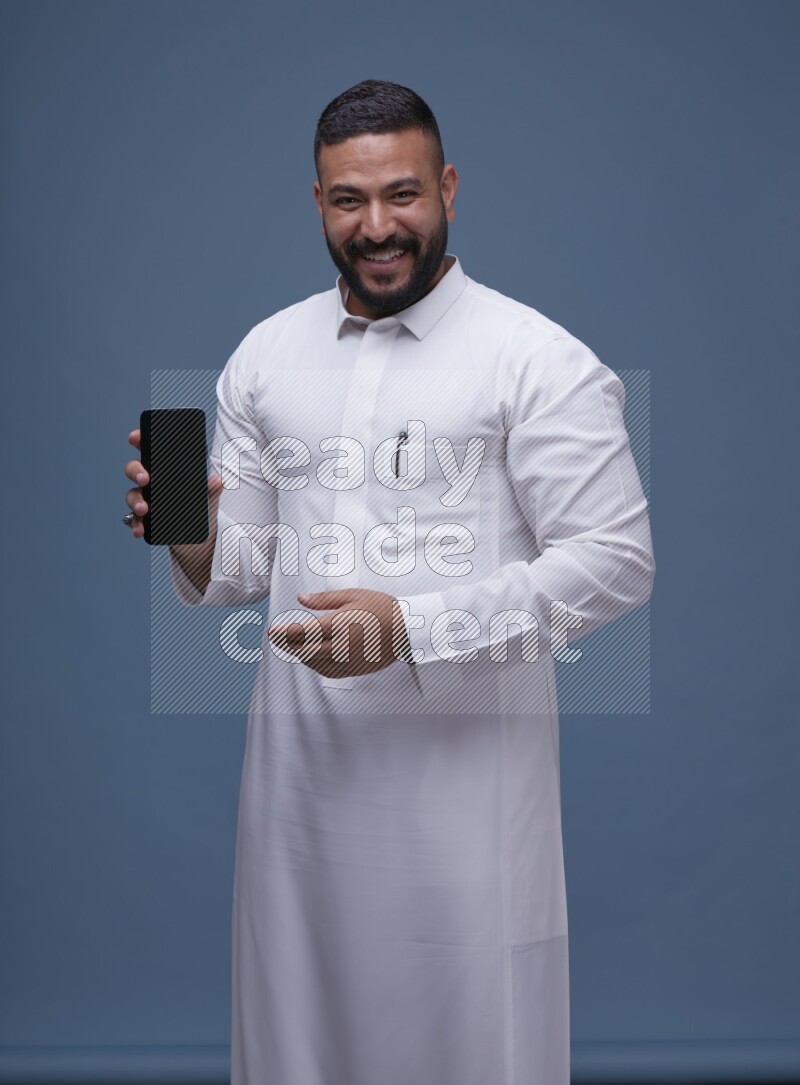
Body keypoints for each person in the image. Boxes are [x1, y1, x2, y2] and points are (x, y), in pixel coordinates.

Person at [124, 79, 654, 1085]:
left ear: (446, 187)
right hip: (295, 795)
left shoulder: (534, 359)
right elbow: (242, 567)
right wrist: (186, 531)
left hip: (467, 806)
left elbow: (615, 559)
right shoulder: (265, 354)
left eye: (401, 194)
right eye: (348, 200)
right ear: (316, 202)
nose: (376, 226)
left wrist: (409, 628)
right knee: (296, 1048)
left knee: (469, 1049)